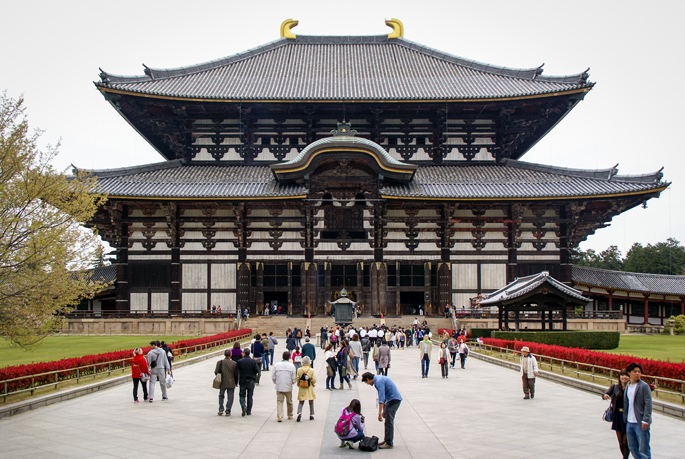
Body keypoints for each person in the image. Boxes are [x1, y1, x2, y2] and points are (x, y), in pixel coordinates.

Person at [361, 372, 401, 449]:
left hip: (393, 401)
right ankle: (386, 440)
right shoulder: (378, 379)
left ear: (368, 379)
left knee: (389, 422)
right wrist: (384, 411)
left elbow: (381, 399)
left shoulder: (378, 382)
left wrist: (379, 413)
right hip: (390, 400)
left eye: (366, 382)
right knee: (387, 422)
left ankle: (389, 443)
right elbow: (384, 396)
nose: (368, 384)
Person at [623, 362, 652, 459]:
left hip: (640, 422)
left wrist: (646, 420)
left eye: (639, 372)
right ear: (629, 373)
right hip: (629, 422)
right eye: (635, 371)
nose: (637, 374)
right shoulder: (628, 385)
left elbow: (648, 404)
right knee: (632, 448)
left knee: (643, 449)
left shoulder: (644, 386)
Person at [603, 369, 630, 459]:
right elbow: (606, 393)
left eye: (626, 375)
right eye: (622, 375)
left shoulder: (632, 388)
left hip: (628, 417)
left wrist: (652, 388)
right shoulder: (615, 387)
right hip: (617, 416)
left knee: (626, 441)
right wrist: (605, 396)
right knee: (621, 442)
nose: (624, 377)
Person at [272, 350, 296, 422]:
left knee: (279, 401)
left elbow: (273, 376)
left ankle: (279, 416)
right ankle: (290, 414)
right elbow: (294, 378)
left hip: (279, 386)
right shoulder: (292, 366)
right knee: (289, 401)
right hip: (288, 386)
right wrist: (292, 383)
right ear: (289, 358)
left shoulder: (277, 365)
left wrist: (276, 382)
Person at [236, 348, 260, 416]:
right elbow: (257, 370)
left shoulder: (240, 361)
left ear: (244, 353)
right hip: (251, 380)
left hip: (243, 380)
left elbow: (238, 371)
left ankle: (243, 406)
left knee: (242, 395)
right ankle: (248, 411)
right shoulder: (253, 361)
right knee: (250, 395)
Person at [214, 349, 239, 416]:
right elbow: (236, 374)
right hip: (231, 382)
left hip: (222, 382)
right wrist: (236, 382)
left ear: (224, 354)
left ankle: (221, 408)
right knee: (230, 396)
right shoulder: (234, 363)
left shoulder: (219, 362)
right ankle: (228, 410)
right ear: (231, 355)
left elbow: (216, 372)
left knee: (221, 395)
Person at [296, 356, 316, 421]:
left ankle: (299, 413)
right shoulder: (311, 370)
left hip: (302, 387)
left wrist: (298, 384)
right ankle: (311, 414)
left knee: (301, 401)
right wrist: (313, 384)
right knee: (311, 401)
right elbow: (314, 379)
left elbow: (297, 378)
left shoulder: (299, 369)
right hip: (309, 387)